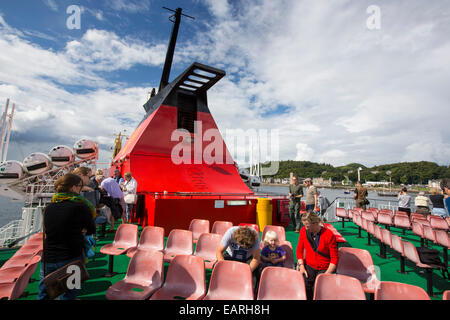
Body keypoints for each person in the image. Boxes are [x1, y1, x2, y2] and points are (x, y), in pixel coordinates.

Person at [37, 173, 96, 300]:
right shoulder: (81, 206)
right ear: (73, 187)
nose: (81, 189)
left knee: (44, 295)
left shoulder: (49, 208)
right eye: (80, 186)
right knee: (69, 294)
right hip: (71, 257)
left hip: (48, 258)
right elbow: (91, 228)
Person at [296, 211, 338, 300]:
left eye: (307, 226)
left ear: (315, 223)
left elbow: (334, 259)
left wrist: (326, 274)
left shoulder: (329, 235)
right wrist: (301, 266)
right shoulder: (304, 231)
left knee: (319, 288)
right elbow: (299, 250)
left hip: (324, 268)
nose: (305, 228)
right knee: (303, 285)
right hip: (309, 266)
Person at [216, 226, 261, 291]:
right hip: (230, 255)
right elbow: (219, 252)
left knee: (256, 271)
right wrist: (224, 267)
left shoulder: (255, 236)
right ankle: (220, 288)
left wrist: (247, 271)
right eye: (242, 245)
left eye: (247, 246)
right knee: (217, 266)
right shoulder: (230, 233)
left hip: (247, 258)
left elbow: (256, 258)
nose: (244, 247)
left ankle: (250, 292)